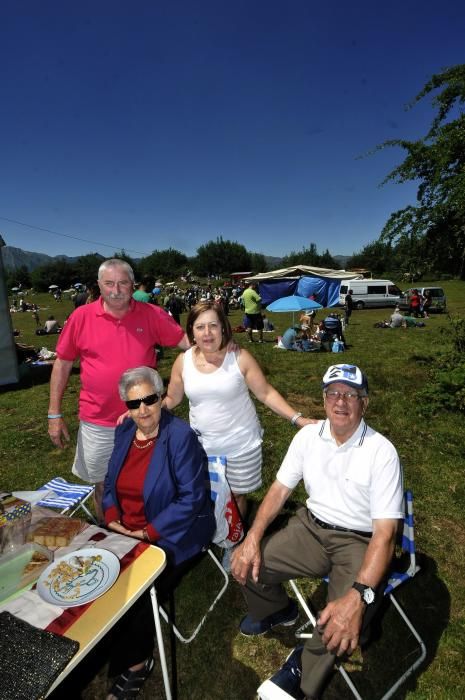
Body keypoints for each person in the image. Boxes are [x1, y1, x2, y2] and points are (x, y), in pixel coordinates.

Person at [231, 363, 403, 700]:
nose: (341, 402)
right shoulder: (308, 436)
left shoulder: (382, 452)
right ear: (323, 400)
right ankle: (276, 611)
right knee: (245, 564)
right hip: (309, 528)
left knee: (342, 619)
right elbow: (279, 491)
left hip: (359, 541)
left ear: (364, 403)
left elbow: (385, 536)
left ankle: (301, 672)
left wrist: (357, 596)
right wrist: (251, 538)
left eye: (351, 395)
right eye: (333, 394)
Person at [47, 258, 190, 522]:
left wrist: (219, 352)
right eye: (109, 283)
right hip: (97, 421)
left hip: (144, 418)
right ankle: (109, 536)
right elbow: (63, 364)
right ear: (99, 286)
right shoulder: (81, 317)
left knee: (149, 482)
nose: (116, 290)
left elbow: (188, 345)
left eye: (123, 283)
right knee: (102, 484)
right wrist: (54, 413)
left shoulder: (151, 313)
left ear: (132, 284)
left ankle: (146, 536)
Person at [103, 366, 215, 700]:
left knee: (134, 591)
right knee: (98, 572)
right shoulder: (123, 433)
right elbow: (109, 485)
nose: (142, 410)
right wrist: (111, 517)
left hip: (174, 532)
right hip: (125, 528)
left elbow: (192, 499)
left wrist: (147, 533)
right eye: (134, 404)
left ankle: (138, 664)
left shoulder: (179, 436)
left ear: (161, 396)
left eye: (150, 400)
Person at [163, 300, 314, 520]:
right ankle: (212, 534)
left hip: (241, 446)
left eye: (213, 325)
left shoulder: (239, 357)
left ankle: (233, 543)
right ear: (191, 332)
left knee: (235, 499)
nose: (207, 333)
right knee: (205, 495)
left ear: (223, 327)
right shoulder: (182, 362)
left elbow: (265, 393)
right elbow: (172, 398)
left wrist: (297, 419)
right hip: (201, 448)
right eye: (200, 327)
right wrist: (144, 409)